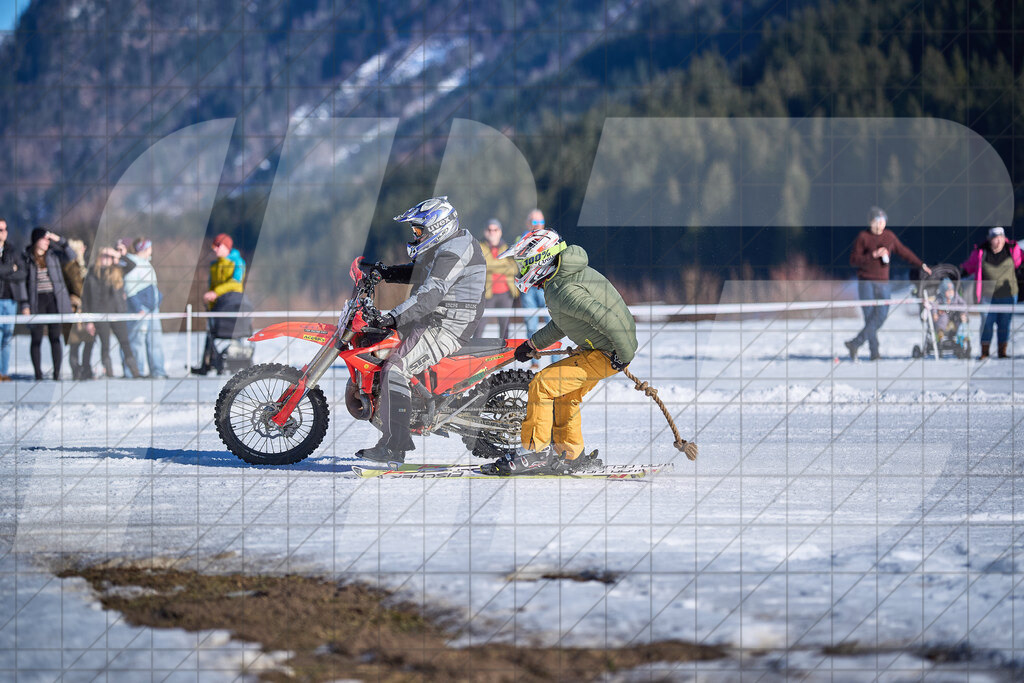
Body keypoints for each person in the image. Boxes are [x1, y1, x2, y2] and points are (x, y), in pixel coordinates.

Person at [491, 227, 638, 476]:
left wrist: (623, 355)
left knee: (543, 384)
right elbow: (565, 322)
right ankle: (571, 455)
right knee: (566, 395)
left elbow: (607, 319)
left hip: (606, 352)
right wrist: (533, 344)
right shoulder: (562, 280)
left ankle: (534, 453)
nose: (521, 271)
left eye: (524, 265)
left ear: (539, 260)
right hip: (601, 349)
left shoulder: (564, 290)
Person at [355, 196, 486, 463]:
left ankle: (395, 447)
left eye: (418, 231)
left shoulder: (454, 251)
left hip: (448, 324)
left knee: (395, 369)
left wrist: (390, 318)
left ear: (438, 227)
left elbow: (428, 295)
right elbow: (420, 272)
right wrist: (385, 273)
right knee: (379, 351)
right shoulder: (447, 245)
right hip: (434, 317)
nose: (415, 236)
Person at [845, 207, 931, 361]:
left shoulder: (889, 236)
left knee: (882, 315)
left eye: (882, 222)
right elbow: (853, 260)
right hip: (866, 282)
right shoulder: (863, 237)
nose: (879, 225)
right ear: (870, 222)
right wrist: (872, 255)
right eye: (876, 222)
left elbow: (904, 252)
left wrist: (921, 264)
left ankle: (855, 343)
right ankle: (874, 353)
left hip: (883, 283)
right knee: (870, 317)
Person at [22, 228, 76, 380]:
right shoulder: (27, 257)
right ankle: (38, 374)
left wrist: (58, 240)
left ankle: (56, 373)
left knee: (55, 336)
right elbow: (23, 283)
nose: (47, 242)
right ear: (36, 240)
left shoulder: (53, 255)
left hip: (54, 299)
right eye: (44, 239)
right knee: (36, 336)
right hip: (37, 300)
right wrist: (25, 304)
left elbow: (72, 255)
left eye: (48, 239)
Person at [191, 233, 247, 375]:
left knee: (233, 334)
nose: (215, 249)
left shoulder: (237, 262)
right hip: (217, 306)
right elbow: (211, 286)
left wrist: (216, 293)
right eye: (213, 246)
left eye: (218, 246)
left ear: (226, 247)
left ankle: (232, 362)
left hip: (231, 304)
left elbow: (235, 283)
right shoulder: (214, 266)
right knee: (210, 334)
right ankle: (207, 364)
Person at [961, 226, 1021, 359]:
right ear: (989, 239)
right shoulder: (981, 252)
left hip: (1008, 295)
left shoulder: (1012, 248)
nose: (999, 241)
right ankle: (984, 352)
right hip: (988, 296)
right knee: (987, 323)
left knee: (1004, 324)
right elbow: (969, 266)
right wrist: (959, 273)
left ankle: (1002, 351)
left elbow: (1020, 262)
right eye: (995, 238)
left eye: (1001, 237)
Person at [83, 247, 142, 378]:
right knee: (105, 345)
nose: (106, 259)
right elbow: (85, 299)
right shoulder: (92, 273)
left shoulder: (117, 271)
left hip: (117, 314)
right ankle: (109, 373)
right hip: (100, 315)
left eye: (109, 256)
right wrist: (88, 320)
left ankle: (135, 373)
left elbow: (132, 265)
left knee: (125, 343)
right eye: (104, 255)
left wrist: (118, 255)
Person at [123, 237, 167, 378]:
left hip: (152, 309)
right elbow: (129, 288)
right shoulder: (133, 263)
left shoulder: (146, 263)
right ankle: (136, 372)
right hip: (141, 309)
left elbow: (151, 286)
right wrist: (138, 307)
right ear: (144, 248)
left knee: (155, 341)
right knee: (137, 341)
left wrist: (158, 299)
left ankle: (158, 371)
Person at [474, 218, 517, 339]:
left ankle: (504, 354)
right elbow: (484, 266)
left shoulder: (507, 247)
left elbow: (514, 269)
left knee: (505, 328)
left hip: (506, 293)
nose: (492, 232)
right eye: (489, 229)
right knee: (480, 326)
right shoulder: (479, 247)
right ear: (485, 232)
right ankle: (475, 353)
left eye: (495, 229)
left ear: (500, 232)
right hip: (487, 293)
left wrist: (493, 265)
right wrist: (504, 266)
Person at [518, 209, 549, 368]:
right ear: (527, 223)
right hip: (529, 287)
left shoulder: (551, 238)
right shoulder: (521, 239)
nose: (537, 225)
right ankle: (534, 361)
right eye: (534, 222)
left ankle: (555, 361)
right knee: (531, 325)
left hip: (546, 287)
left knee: (553, 324)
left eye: (540, 222)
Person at [62, 238, 96, 380]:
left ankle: (86, 368)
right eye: (82, 247)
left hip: (88, 308)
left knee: (90, 341)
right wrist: (73, 298)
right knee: (75, 342)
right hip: (74, 310)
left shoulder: (86, 266)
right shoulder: (69, 267)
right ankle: (76, 371)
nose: (85, 249)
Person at [0, 218, 28, 381]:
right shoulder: (12, 259)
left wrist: (6, 272)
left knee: (7, 337)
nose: (2, 232)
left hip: (11, 300)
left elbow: (23, 273)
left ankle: (3, 372)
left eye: (4, 229)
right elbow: (14, 270)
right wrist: (11, 269)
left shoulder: (13, 251)